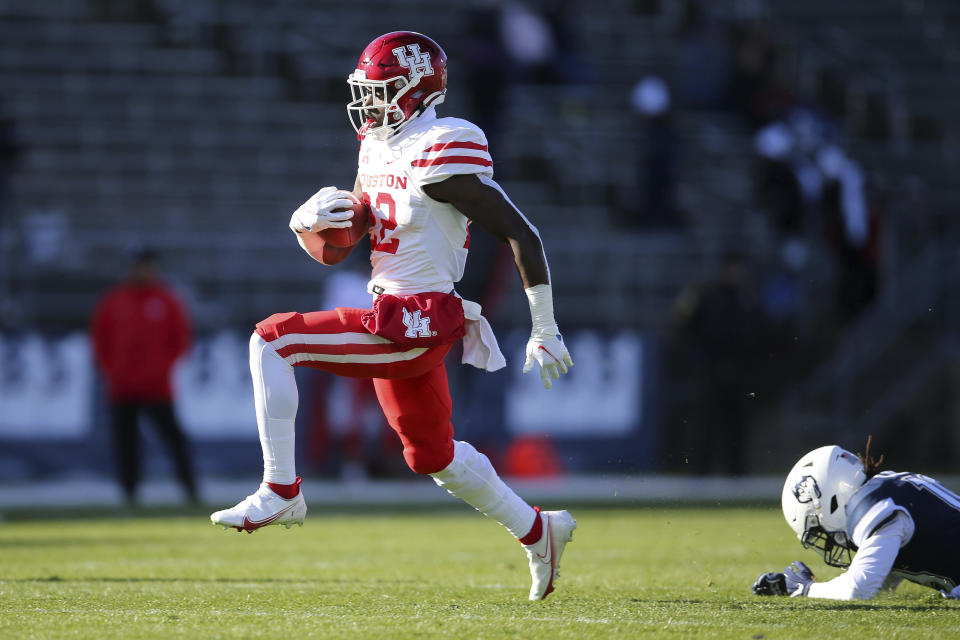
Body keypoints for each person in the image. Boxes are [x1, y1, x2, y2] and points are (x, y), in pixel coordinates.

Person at [210, 31, 576, 601]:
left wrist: (545, 326)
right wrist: (305, 223)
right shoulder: (377, 144)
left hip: (419, 316)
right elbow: (347, 238)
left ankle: (281, 488)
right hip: (392, 310)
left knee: (272, 340)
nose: (369, 102)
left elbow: (521, 233)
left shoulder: (443, 147)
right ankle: (538, 530)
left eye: (381, 90)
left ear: (415, 91)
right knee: (431, 455)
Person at [751, 441, 960, 600]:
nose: (831, 541)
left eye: (820, 530)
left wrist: (806, 588)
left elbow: (859, 588)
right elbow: (879, 583)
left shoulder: (871, 503)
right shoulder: (884, 490)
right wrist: (789, 586)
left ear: (831, 502)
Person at [91, 246, 197, 504]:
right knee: (125, 442)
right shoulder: (114, 301)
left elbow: (180, 340)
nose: (142, 271)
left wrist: (159, 370)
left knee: (174, 439)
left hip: (157, 387)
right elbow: (100, 340)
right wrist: (113, 371)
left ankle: (190, 489)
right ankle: (130, 493)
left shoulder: (167, 300)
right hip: (123, 387)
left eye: (146, 265)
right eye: (137, 266)